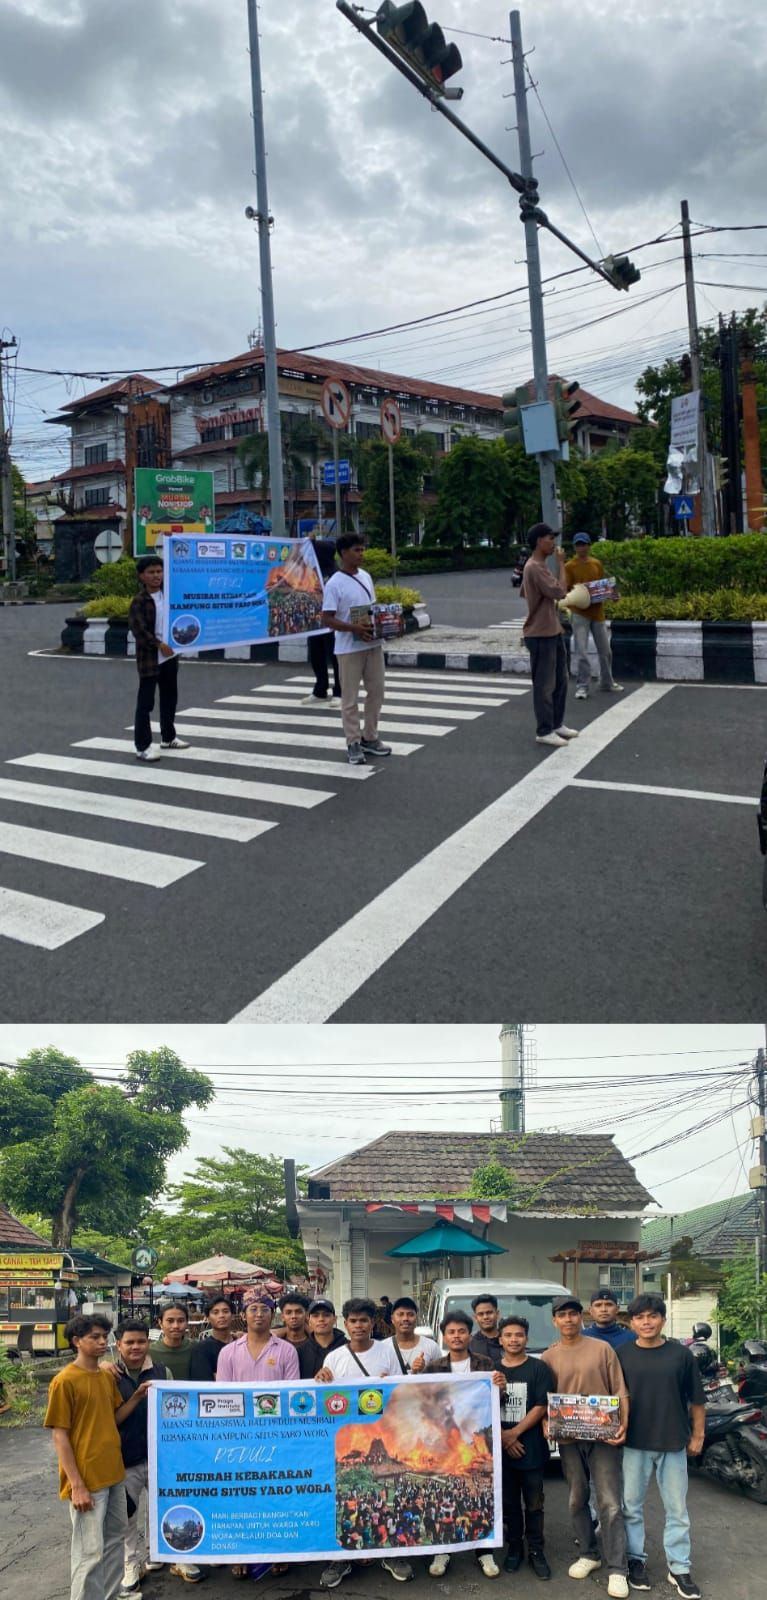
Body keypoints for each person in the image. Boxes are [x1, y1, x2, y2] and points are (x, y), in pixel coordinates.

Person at [43, 1313, 142, 1600]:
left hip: (115, 1475)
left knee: (113, 1544)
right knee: (89, 1553)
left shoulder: (104, 1376)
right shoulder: (64, 1382)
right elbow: (59, 1435)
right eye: (95, 1337)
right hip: (88, 1479)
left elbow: (114, 1417)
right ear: (76, 1341)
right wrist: (77, 1484)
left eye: (104, 1336)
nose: (102, 1342)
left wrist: (136, 1397)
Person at [315, 1299, 411, 1588]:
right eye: (353, 1321)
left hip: (379, 1433)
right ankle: (340, 1558)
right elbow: (325, 1397)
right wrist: (320, 1379)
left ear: (373, 1323)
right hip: (347, 1438)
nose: (358, 1326)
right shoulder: (334, 1357)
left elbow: (398, 1392)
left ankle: (390, 1553)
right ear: (345, 1324)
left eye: (364, 1321)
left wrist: (388, 1383)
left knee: (384, 1503)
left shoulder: (387, 1352)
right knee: (345, 1500)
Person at [541, 1296, 629, 1599]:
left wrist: (623, 1425)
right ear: (554, 1321)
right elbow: (546, 1399)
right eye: (562, 1315)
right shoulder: (549, 1357)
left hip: (603, 1438)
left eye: (573, 1314)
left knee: (610, 1502)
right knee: (577, 1498)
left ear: (582, 1317)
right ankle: (589, 1554)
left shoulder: (602, 1349)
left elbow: (620, 1391)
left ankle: (617, 1568)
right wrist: (546, 1423)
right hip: (568, 1439)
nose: (568, 1319)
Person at [618, 1293, 705, 1600]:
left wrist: (698, 1436)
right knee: (631, 1507)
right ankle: (636, 1561)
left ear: (663, 1320)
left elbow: (697, 1399)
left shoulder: (681, 1356)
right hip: (634, 1442)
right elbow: (614, 1399)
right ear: (631, 1323)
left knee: (678, 1509)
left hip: (673, 1441)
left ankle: (679, 1567)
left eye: (652, 1316)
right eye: (640, 1317)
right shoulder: (622, 1354)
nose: (646, 1322)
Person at [426, 1311, 505, 1581]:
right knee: (445, 1497)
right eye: (451, 1332)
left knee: (481, 1497)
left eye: (462, 1331)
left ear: (469, 1335)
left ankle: (484, 1551)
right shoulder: (434, 1367)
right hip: (446, 1444)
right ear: (444, 1336)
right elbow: (425, 1401)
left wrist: (500, 1386)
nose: (457, 1336)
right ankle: (442, 1551)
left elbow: (495, 1401)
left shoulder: (485, 1364)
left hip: (475, 1443)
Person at [105, 1320, 170, 1600]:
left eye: (141, 1341)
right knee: (127, 1516)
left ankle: (164, 1555)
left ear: (149, 1342)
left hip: (159, 1456)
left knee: (161, 1508)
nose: (135, 1347)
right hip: (125, 1457)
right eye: (129, 1342)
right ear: (118, 1345)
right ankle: (131, 1565)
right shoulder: (107, 1375)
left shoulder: (161, 1372)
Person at [320, 534, 391, 766]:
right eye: (356, 550)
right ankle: (353, 741)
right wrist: (353, 628)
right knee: (349, 697)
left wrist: (385, 624)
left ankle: (370, 737)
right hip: (348, 648)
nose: (361, 554)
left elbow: (371, 609)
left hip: (373, 644)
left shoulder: (366, 577)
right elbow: (327, 619)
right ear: (343, 553)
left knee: (376, 692)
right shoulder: (334, 584)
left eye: (362, 550)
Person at [494, 1315, 554, 1581]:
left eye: (519, 1335)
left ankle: (537, 1551)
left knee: (534, 1503)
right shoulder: (492, 1371)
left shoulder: (538, 1368)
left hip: (531, 1448)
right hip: (501, 1452)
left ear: (526, 1338)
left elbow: (542, 1405)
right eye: (508, 1335)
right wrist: (504, 1439)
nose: (514, 1340)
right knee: (509, 1504)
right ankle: (515, 1548)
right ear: (500, 1339)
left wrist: (514, 1433)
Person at [152, 1302, 202, 1584]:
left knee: (186, 1487)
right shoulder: (148, 1352)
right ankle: (155, 1548)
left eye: (180, 1320)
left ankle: (184, 1552)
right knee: (153, 1490)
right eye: (169, 1320)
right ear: (160, 1323)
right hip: (156, 1431)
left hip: (191, 1432)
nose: (175, 1326)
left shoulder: (196, 1349)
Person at [128, 554, 190, 763]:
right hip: (150, 658)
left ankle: (168, 737)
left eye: (159, 571)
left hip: (170, 656)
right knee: (145, 703)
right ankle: (142, 746)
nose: (156, 576)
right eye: (151, 572)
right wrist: (159, 645)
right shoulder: (139, 601)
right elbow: (139, 631)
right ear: (142, 576)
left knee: (169, 697)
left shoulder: (169, 596)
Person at [521, 523, 579, 749]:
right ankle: (544, 730)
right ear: (538, 541)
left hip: (552, 629)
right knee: (545, 685)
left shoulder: (538, 566)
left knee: (561, 680)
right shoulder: (535, 567)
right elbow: (559, 592)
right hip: (540, 633)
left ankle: (556, 723)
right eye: (549, 538)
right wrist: (562, 564)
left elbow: (527, 592)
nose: (553, 543)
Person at [565, 532, 623, 701]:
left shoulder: (596, 564)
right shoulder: (570, 566)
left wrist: (613, 594)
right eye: (578, 545)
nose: (581, 548)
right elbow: (567, 589)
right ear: (575, 547)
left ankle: (606, 682)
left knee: (605, 651)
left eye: (584, 544)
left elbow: (603, 586)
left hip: (597, 613)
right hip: (579, 613)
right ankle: (582, 686)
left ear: (589, 546)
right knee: (582, 652)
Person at [216, 1290, 300, 1382]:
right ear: (243, 1316)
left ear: (272, 1315)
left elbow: (291, 1392)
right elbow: (224, 1393)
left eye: (265, 1309)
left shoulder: (287, 1351)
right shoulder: (227, 1353)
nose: (259, 1314)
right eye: (253, 1309)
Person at [304, 534, 342, 705]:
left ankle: (340, 691)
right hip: (314, 621)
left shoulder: (332, 574)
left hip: (332, 621)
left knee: (335, 657)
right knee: (316, 654)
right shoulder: (311, 571)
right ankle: (320, 689)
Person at [381, 1296, 440, 1373]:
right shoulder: (382, 1349)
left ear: (416, 1318)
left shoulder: (432, 1347)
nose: (405, 1318)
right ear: (392, 1319)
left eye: (410, 1314)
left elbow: (441, 1380)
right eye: (400, 1314)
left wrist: (426, 1370)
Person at [297, 1297, 348, 1379]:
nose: (321, 1319)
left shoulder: (349, 1348)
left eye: (326, 1315)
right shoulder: (300, 1353)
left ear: (335, 1319)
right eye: (315, 1316)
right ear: (308, 1320)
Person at [189, 1296, 237, 1381]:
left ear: (232, 1316)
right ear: (207, 1318)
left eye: (225, 1311)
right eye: (215, 1312)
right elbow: (203, 1382)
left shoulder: (241, 1345)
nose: (221, 1316)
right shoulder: (201, 1349)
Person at [470, 1294, 503, 1362]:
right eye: (481, 1314)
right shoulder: (470, 1344)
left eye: (489, 1312)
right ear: (475, 1318)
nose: (485, 1317)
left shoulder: (509, 1341)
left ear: (497, 1314)